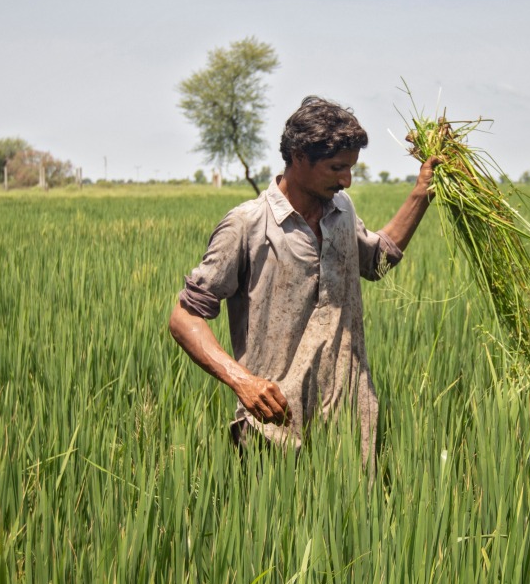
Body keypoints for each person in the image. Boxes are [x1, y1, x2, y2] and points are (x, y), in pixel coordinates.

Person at [168, 96, 438, 457]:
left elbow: (375, 260)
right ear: (298, 157)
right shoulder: (248, 225)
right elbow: (185, 317)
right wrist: (242, 382)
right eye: (336, 168)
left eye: (352, 167)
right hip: (275, 425)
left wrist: (422, 191)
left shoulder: (342, 211)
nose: (348, 180)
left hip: (349, 422)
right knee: (275, 514)